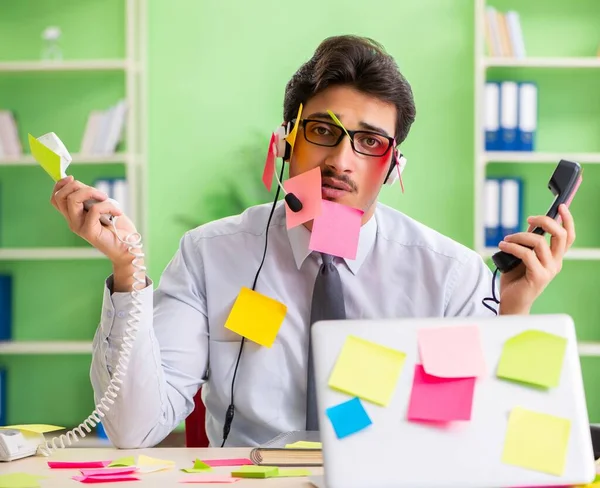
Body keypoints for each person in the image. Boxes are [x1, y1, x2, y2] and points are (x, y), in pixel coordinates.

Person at [50, 35, 575, 449]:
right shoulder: (211, 255)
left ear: (393, 167)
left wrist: (514, 312)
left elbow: (484, 434)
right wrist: (127, 274)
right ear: (286, 142)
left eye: (370, 143)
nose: (341, 161)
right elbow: (134, 428)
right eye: (323, 130)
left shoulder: (451, 275)